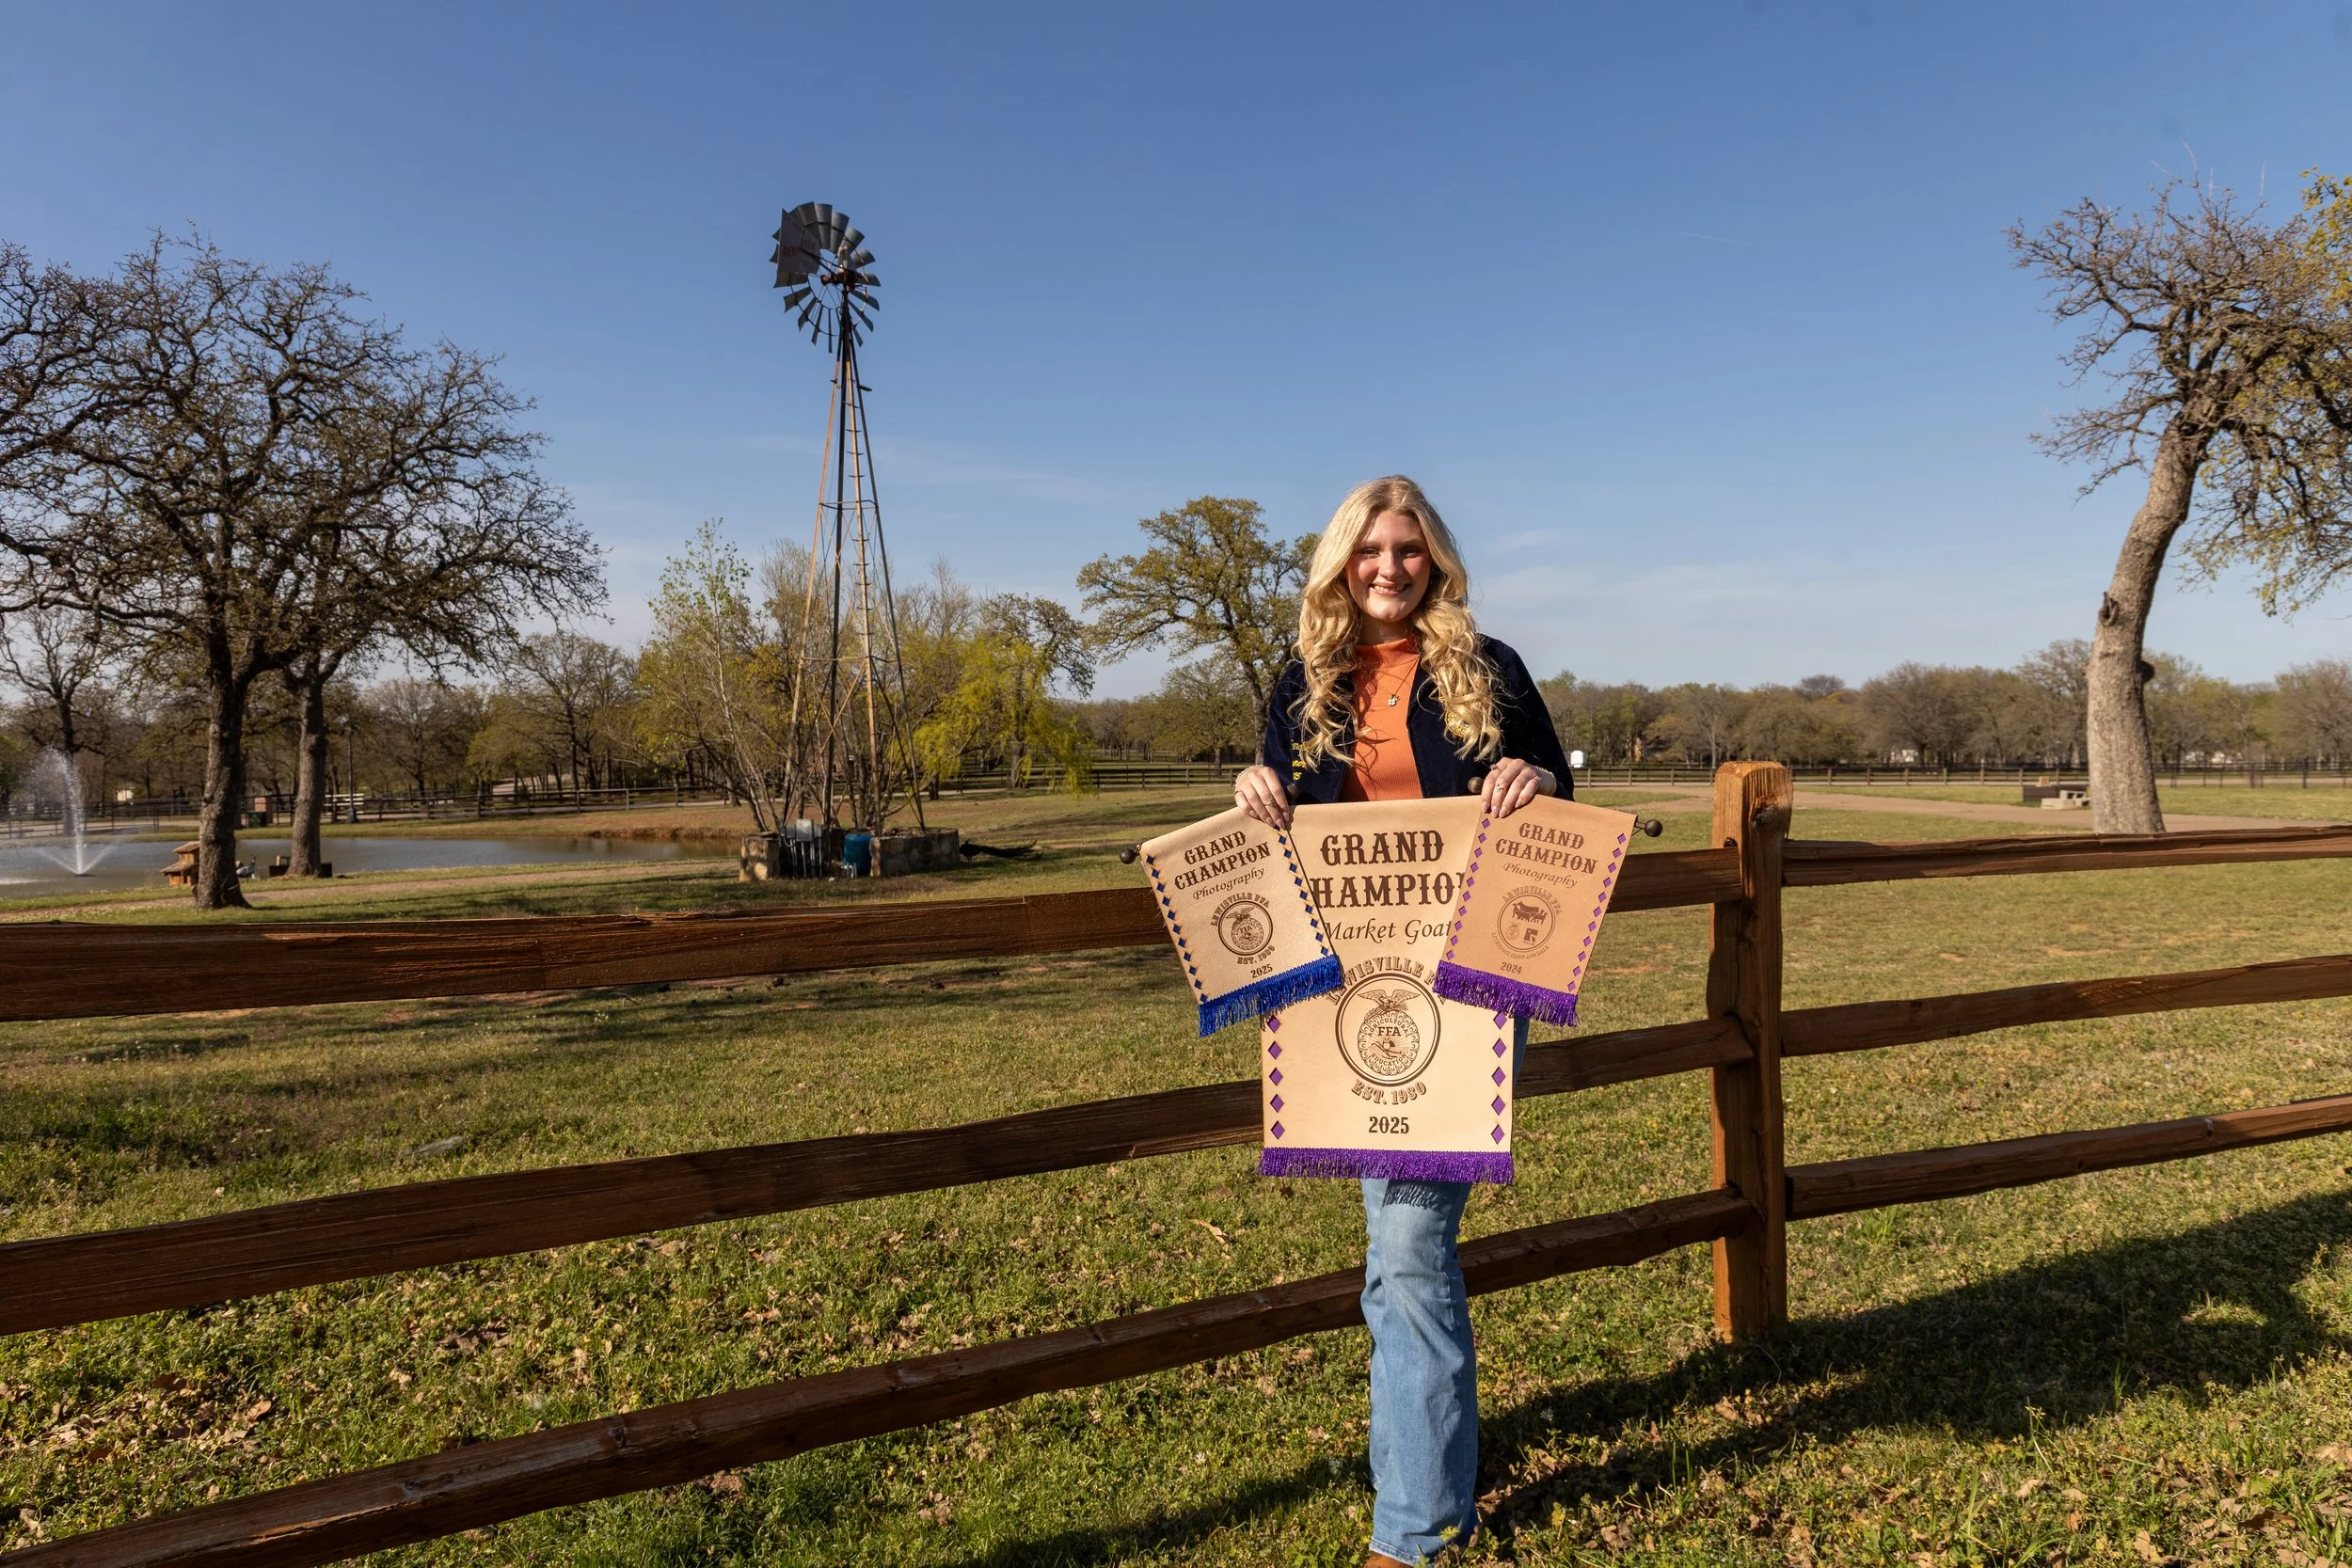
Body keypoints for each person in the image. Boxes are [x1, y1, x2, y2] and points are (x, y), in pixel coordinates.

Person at [1232, 474, 1572, 1567]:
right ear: (1342, 561)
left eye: (1409, 550)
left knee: (1410, 1241)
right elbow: (1284, 808)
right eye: (1370, 549)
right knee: (1395, 1251)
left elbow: (1557, 794)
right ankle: (1432, 1468)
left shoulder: (1490, 666)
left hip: (1469, 987)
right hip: (1355, 995)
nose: (1389, 567)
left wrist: (1531, 777)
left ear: (1435, 562)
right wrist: (1254, 783)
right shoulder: (1305, 678)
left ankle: (1415, 1527)